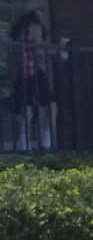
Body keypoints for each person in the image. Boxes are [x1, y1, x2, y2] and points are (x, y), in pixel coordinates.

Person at [8, 12, 55, 152]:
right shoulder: (22, 41)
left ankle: (46, 144)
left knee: (52, 107)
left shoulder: (40, 41)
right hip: (24, 77)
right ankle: (25, 146)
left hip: (39, 77)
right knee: (26, 111)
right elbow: (17, 54)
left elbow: (47, 51)